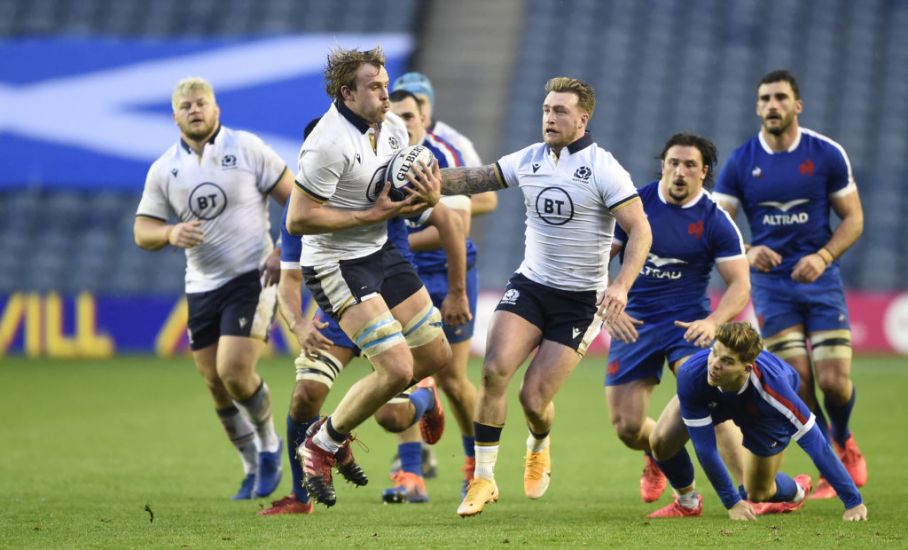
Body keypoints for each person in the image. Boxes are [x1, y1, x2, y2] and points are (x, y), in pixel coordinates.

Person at [410, 76, 653, 517]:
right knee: (493, 371)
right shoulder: (530, 159)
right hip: (531, 285)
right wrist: (427, 179)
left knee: (533, 401)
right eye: (546, 109)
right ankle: (483, 479)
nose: (549, 117)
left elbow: (641, 229)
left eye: (560, 111)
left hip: (580, 301)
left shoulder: (604, 168)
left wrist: (620, 286)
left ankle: (539, 442)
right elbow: (475, 178)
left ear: (583, 118)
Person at [285, 46, 452, 508]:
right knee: (397, 369)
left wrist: (429, 195)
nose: (385, 93)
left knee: (435, 356)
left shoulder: (394, 128)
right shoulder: (326, 142)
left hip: (380, 250)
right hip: (336, 263)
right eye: (375, 87)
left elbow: (408, 198)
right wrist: (369, 215)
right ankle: (321, 445)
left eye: (384, 83)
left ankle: (333, 426)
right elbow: (298, 219)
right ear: (347, 93)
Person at [134, 76, 293, 499]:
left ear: (216, 109)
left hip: (252, 274)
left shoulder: (247, 148)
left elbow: (295, 199)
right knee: (214, 382)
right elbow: (141, 230)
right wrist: (169, 234)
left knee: (233, 370)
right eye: (186, 106)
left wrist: (282, 249)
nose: (195, 110)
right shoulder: (165, 168)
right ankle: (249, 466)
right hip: (202, 284)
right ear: (175, 116)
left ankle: (269, 446)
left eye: (201, 103)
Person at [713, 69, 866, 499]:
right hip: (771, 286)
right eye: (764, 99)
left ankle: (844, 437)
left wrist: (823, 256)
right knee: (797, 380)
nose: (772, 106)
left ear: (797, 105)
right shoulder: (741, 161)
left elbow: (853, 218)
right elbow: (716, 223)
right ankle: (833, 467)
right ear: (757, 106)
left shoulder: (825, 154)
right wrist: (745, 250)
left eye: (780, 98)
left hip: (820, 281)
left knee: (834, 381)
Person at [603, 133, 751, 512]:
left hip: (689, 327)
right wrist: (608, 300)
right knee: (627, 427)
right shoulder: (635, 205)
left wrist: (715, 321)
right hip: (634, 322)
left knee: (711, 404)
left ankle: (750, 493)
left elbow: (740, 284)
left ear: (704, 172)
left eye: (689, 165)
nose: (679, 172)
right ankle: (658, 455)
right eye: (673, 163)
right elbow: (598, 259)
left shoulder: (717, 220)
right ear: (663, 166)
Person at [658, 322, 867, 521]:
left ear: (747, 368)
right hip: (715, 400)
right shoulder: (693, 374)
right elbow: (705, 448)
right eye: (714, 353)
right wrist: (732, 503)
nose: (714, 365)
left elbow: (816, 444)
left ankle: (797, 491)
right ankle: (687, 501)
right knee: (660, 440)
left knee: (757, 492)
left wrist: (853, 501)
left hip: (762, 415)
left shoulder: (776, 391)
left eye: (727, 361)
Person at [389, 90, 481, 499]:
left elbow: (457, 226)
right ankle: (410, 476)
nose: (403, 123)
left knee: (454, 378)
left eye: (409, 116)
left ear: (423, 120)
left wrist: (457, 293)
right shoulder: (376, 161)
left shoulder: (442, 158)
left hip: (449, 274)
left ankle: (475, 465)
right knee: (399, 374)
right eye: (394, 118)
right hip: (401, 276)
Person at [392, 71, 498, 216]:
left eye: (420, 101)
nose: (413, 105)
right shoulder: (387, 138)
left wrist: (427, 212)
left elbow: (487, 200)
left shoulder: (453, 143)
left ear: (430, 104)